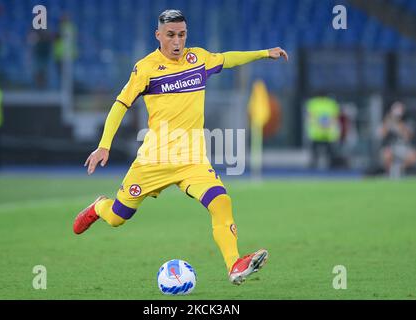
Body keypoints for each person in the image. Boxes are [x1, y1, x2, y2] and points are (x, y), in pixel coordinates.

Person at [73, 10, 288, 285]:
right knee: (117, 217)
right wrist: (104, 146)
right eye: (171, 35)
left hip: (192, 160)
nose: (177, 41)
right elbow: (120, 104)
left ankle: (234, 264)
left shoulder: (197, 58)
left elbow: (228, 58)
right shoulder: (146, 67)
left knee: (221, 201)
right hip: (154, 160)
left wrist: (263, 53)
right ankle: (99, 206)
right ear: (158, 35)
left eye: (182, 35)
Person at [380, 101, 416, 176]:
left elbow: (408, 137)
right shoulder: (387, 120)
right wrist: (387, 123)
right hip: (391, 146)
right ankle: (389, 173)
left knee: (414, 156)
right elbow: (381, 134)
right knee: (386, 154)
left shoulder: (407, 121)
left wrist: (399, 125)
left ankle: (398, 169)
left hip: (404, 147)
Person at [305, 93, 340, 169]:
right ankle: (332, 169)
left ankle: (313, 169)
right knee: (330, 154)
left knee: (315, 154)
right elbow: (335, 118)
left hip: (316, 133)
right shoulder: (331, 104)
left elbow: (309, 118)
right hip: (328, 133)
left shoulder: (313, 103)